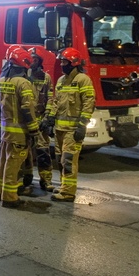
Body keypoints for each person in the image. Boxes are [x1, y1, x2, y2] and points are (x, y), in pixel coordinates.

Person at [44, 47, 95, 202]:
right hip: (60, 129)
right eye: (61, 61)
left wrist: (82, 125)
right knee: (60, 160)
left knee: (68, 160)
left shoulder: (82, 80)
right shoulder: (61, 80)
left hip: (72, 130)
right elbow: (55, 102)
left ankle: (68, 193)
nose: (62, 64)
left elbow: (89, 102)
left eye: (65, 61)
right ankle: (64, 186)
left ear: (74, 63)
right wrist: (50, 118)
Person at [0, 45, 41, 209]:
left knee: (3, 162)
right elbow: (27, 109)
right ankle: (9, 197)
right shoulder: (23, 83)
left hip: (5, 131)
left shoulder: (1, 81)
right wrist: (34, 130)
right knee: (13, 165)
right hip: (19, 133)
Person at [18, 48, 54, 194]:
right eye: (30, 58)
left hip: (40, 121)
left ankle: (46, 181)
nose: (31, 61)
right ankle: (26, 178)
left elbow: (50, 98)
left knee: (43, 152)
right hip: (27, 120)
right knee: (25, 153)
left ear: (39, 61)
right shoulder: (23, 76)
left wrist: (47, 117)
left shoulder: (45, 78)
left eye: (33, 58)